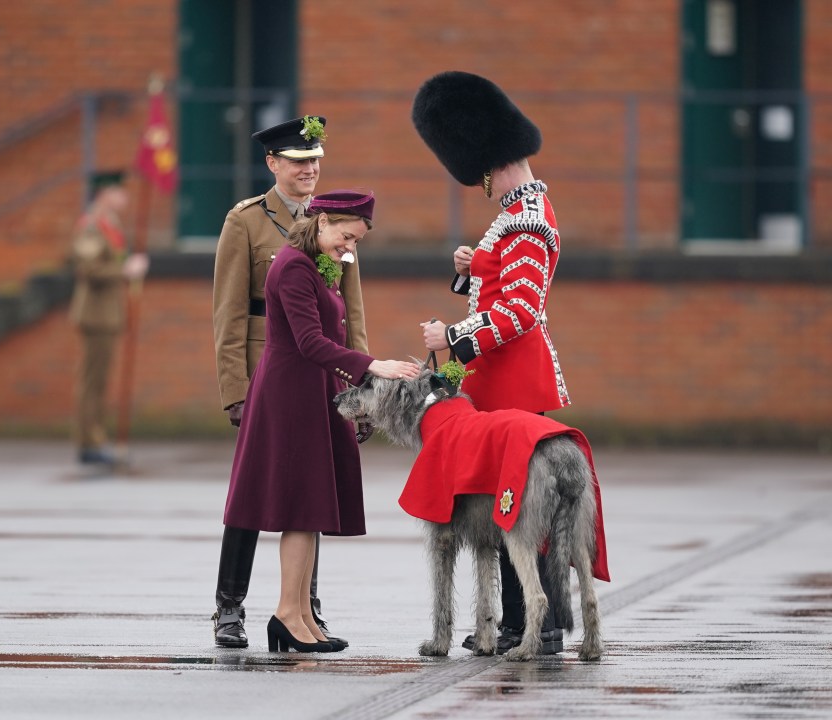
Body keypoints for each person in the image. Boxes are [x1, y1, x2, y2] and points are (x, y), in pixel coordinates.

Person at [412, 71, 610, 654]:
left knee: (528, 508)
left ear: (493, 168)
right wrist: (473, 269)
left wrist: (451, 336)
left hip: (512, 377)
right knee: (507, 506)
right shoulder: (517, 214)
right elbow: (502, 291)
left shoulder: (524, 218)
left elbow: (521, 311)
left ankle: (540, 625)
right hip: (499, 376)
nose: (482, 189)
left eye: (480, 180)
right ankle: (519, 622)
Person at [219, 190, 420, 652]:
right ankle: (288, 614)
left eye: (357, 242)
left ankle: (302, 615)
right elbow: (309, 341)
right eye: (347, 237)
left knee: (309, 510)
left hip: (313, 389)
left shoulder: (316, 264)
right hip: (291, 393)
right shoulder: (292, 265)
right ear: (323, 221)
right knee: (299, 507)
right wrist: (373, 367)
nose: (350, 248)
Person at [211, 116, 371, 648]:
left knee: (311, 490)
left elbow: (351, 313)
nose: (310, 169)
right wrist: (235, 387)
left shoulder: (338, 222)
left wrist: (361, 389)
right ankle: (229, 606)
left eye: (315, 160)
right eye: (299, 161)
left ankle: (305, 608)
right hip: (271, 370)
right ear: (273, 164)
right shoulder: (247, 221)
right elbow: (230, 310)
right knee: (254, 494)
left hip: (323, 375)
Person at [68, 169, 149, 467]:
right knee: (92, 382)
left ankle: (95, 438)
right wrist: (125, 270)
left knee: (99, 382)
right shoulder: (92, 226)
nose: (124, 197)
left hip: (107, 314)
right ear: (104, 194)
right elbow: (88, 269)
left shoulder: (108, 224)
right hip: (95, 314)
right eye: (119, 191)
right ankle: (89, 441)